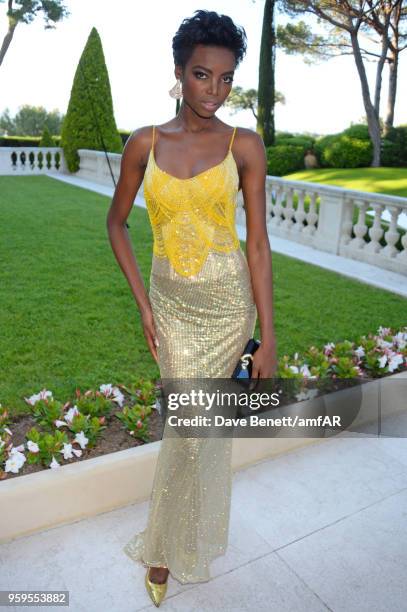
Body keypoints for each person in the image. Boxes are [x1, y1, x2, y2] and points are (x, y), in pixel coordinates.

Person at [106, 9, 277, 607]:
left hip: (230, 309)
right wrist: (145, 309)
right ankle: (170, 541)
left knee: (194, 430)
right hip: (171, 310)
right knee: (190, 427)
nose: (216, 90)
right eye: (203, 75)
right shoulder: (145, 144)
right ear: (179, 73)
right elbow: (117, 223)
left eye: (227, 78)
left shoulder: (244, 146)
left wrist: (270, 336)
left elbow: (257, 243)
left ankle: (164, 549)